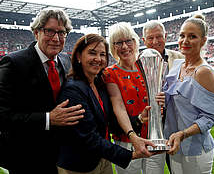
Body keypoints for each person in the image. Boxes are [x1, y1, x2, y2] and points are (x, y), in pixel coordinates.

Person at [0, 9, 85, 174]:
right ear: (36, 33)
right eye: (49, 31)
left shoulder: (65, 61)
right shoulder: (13, 63)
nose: (56, 38)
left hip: (60, 157)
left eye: (62, 33)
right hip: (26, 159)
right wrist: (49, 119)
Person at [56, 34, 147, 174]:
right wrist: (131, 155)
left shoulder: (99, 84)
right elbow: (88, 137)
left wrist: (139, 118)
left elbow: (110, 122)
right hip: (79, 165)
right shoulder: (73, 90)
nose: (98, 59)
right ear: (79, 56)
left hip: (101, 159)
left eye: (102, 54)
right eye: (92, 53)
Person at [162, 14, 214, 174]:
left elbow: (209, 118)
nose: (185, 40)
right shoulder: (177, 65)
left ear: (203, 41)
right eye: (182, 35)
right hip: (174, 145)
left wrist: (183, 134)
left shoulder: (203, 72)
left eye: (192, 36)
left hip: (196, 149)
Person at [103, 22, 164, 174]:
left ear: (135, 42)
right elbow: (119, 107)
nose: (124, 47)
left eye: (128, 41)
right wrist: (132, 134)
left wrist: (163, 100)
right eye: (118, 43)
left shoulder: (149, 66)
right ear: (113, 47)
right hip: (126, 141)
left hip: (154, 137)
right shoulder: (110, 73)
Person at [142, 20, 185, 174]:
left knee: (179, 169)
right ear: (143, 41)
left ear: (166, 36)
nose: (155, 42)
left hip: (176, 127)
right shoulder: (136, 62)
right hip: (150, 131)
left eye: (159, 36)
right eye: (150, 38)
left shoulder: (180, 58)